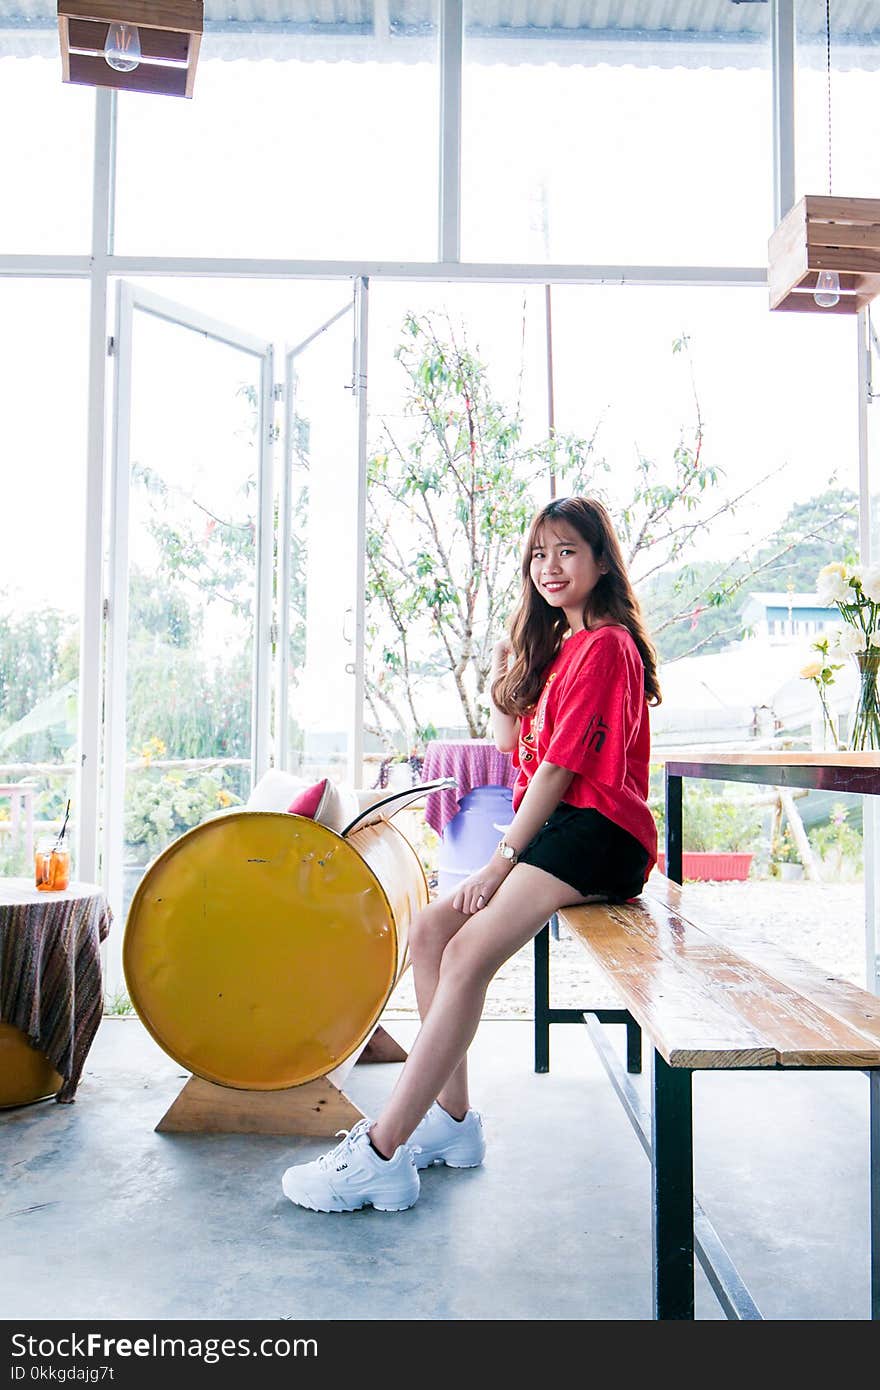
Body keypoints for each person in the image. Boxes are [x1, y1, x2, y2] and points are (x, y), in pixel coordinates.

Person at [281, 495, 661, 1213]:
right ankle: (452, 1124)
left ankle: (383, 1149)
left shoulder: (607, 645)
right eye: (539, 554)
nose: (550, 567)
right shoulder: (565, 647)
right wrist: (506, 671)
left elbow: (556, 772)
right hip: (562, 834)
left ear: (602, 559)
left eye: (568, 551)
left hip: (602, 834)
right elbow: (507, 748)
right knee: (431, 932)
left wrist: (499, 863)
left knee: (465, 953)